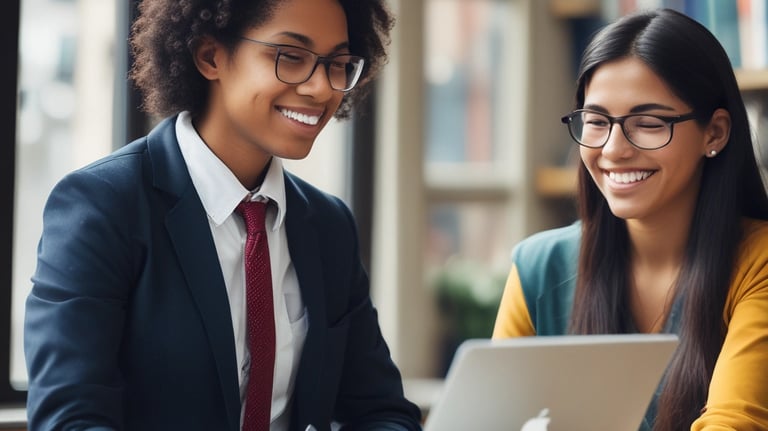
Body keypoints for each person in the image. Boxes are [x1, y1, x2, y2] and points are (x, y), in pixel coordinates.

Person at [23, 0, 422, 430]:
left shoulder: (328, 226)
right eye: (291, 57)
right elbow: (69, 420)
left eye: (338, 64)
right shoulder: (102, 206)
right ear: (210, 56)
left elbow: (382, 412)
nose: (322, 88)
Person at [492, 8, 768, 431]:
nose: (614, 149)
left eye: (649, 123)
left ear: (714, 133)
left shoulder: (758, 262)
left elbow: (735, 423)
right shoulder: (539, 267)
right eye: (597, 122)